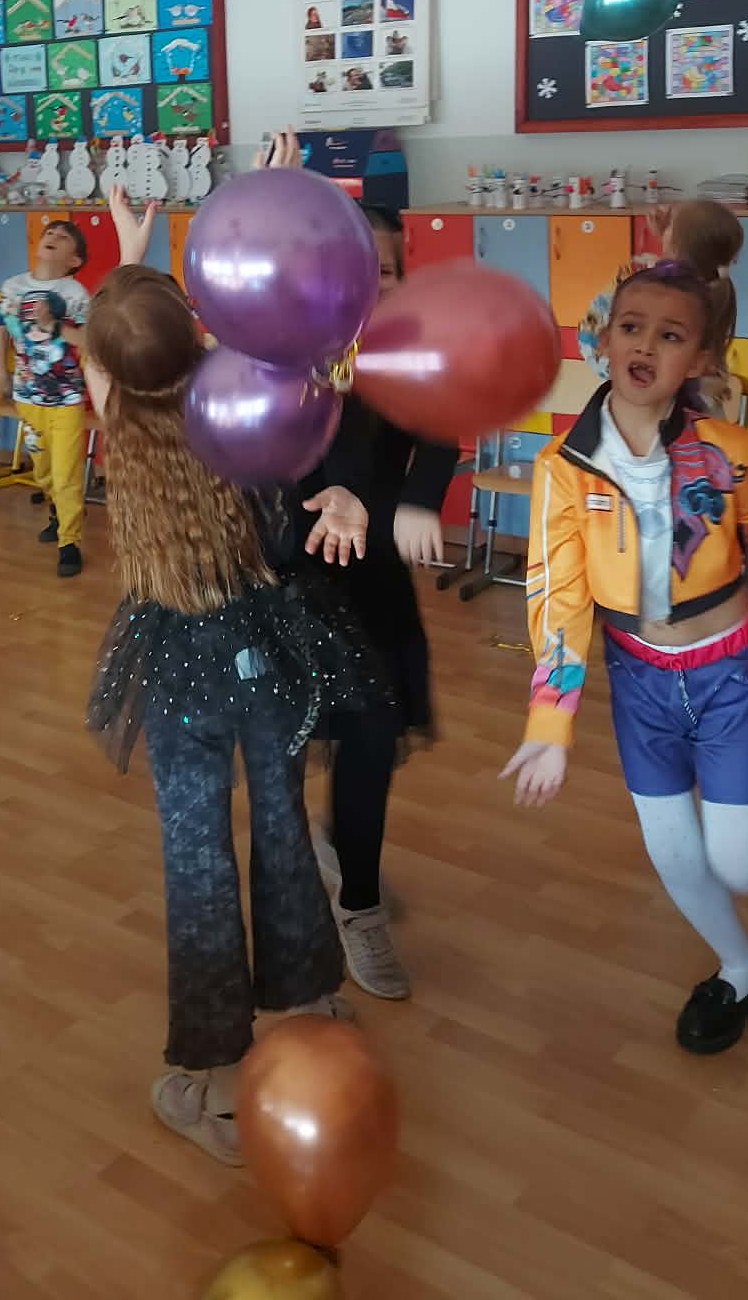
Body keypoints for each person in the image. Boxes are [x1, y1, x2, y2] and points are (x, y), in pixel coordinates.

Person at [86, 188, 391, 1167]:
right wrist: (281, 199)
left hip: (180, 669)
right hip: (268, 656)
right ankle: (308, 995)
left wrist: (126, 252)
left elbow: (115, 353)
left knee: (199, 864)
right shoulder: (247, 399)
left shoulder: (114, 412)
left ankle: (210, 1080)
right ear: (199, 327)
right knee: (282, 824)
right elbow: (295, 339)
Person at [502, 259, 748, 1055]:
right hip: (640, 683)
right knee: (675, 855)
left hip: (729, 673)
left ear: (698, 360)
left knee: (739, 859)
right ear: (602, 340)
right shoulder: (563, 469)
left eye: (670, 336)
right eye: (631, 327)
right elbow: (558, 595)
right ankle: (741, 970)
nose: (645, 346)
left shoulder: (729, 451)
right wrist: (550, 724)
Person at [305, 204, 459, 1000]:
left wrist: (418, 500)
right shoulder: (287, 350)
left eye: (386, 270)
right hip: (297, 573)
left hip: (374, 577)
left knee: (371, 737)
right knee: (306, 737)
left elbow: (440, 433)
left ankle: (358, 902)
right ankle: (317, 872)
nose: (369, 285)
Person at [0, 220, 91, 579]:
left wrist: (54, 326)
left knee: (66, 475)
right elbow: (1, 329)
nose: (53, 237)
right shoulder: (13, 287)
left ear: (74, 260)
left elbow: (90, 341)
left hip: (66, 398)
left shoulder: (76, 294)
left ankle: (69, 541)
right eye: (50, 233)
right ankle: (56, 509)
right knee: (43, 470)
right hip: (27, 396)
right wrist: (0, 371)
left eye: (63, 238)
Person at [578, 198, 743, 412]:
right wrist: (670, 244)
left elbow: (590, 340)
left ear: (675, 242)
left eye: (671, 225)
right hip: (702, 406)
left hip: (656, 408)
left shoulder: (648, 286)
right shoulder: (720, 287)